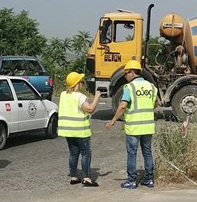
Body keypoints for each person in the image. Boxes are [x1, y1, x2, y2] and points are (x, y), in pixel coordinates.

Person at [106, 60, 157, 189]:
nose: (125, 76)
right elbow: (155, 104)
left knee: (132, 153)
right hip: (147, 126)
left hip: (134, 127)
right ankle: (149, 179)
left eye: (126, 73)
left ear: (132, 73)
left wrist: (113, 120)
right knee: (147, 152)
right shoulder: (151, 87)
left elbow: (123, 105)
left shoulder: (129, 88)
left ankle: (132, 181)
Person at [58, 72, 101, 187]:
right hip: (80, 131)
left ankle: (74, 176)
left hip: (68, 131)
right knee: (86, 153)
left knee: (73, 153)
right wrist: (96, 97)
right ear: (77, 83)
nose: (82, 83)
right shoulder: (79, 96)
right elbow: (90, 109)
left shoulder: (63, 95)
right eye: (81, 81)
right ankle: (86, 178)